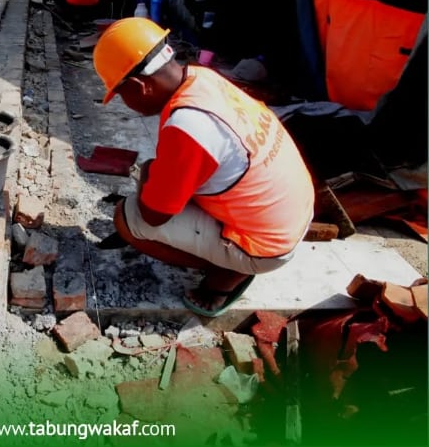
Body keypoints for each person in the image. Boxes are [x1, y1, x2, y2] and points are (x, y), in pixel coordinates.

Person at [92, 17, 315, 317]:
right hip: (293, 212)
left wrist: (146, 173)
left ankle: (226, 275)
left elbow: (153, 216)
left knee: (127, 219)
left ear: (138, 86)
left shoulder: (189, 126)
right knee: (168, 180)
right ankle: (236, 254)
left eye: (120, 95)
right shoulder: (202, 78)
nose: (124, 102)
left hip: (269, 245)